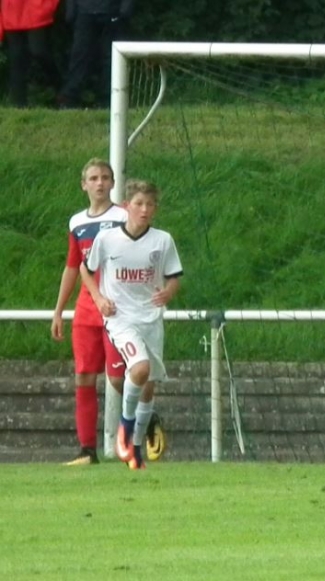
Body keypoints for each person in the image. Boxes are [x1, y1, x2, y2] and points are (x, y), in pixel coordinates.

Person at [80, 179, 183, 470]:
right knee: (139, 368)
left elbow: (174, 276)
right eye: (139, 203)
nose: (144, 209)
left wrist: (168, 292)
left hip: (150, 318)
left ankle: (135, 449)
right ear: (127, 206)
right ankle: (125, 429)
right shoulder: (108, 239)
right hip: (120, 318)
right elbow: (86, 270)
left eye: (150, 204)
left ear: (155, 208)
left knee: (148, 385)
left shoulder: (162, 240)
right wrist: (99, 298)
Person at [51, 158, 127, 465]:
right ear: (84, 185)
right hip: (86, 310)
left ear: (112, 183)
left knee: (119, 378)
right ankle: (87, 450)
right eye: (93, 178)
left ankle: (143, 423)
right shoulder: (77, 222)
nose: (99, 183)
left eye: (105, 177)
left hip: (117, 308)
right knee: (83, 376)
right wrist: (59, 311)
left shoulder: (123, 216)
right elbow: (73, 265)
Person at [59, 0, 132, 108]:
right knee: (80, 56)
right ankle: (70, 97)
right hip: (86, 11)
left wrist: (124, 10)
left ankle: (109, 99)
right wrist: (71, 11)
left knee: (110, 58)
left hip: (111, 11)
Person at [0, 0, 62, 107]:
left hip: (37, 10)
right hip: (12, 11)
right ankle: (18, 105)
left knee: (39, 51)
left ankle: (61, 88)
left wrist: (48, 6)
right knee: (16, 59)